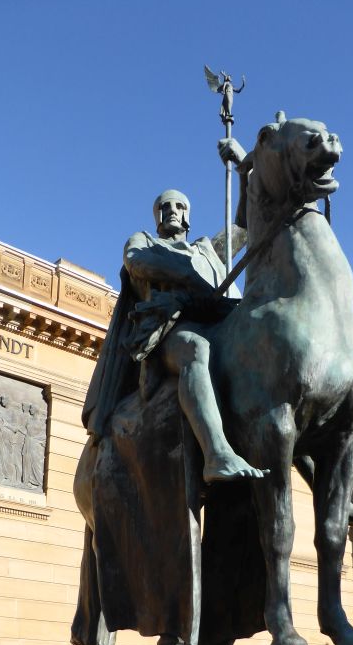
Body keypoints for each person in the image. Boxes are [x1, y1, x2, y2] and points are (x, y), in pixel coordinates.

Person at [82, 189, 265, 483]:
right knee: (195, 348)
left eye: (179, 206)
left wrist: (247, 176)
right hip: (164, 333)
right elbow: (137, 262)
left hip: (214, 323)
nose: (171, 210)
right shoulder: (144, 242)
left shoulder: (204, 249)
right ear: (156, 216)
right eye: (164, 206)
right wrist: (192, 276)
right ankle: (216, 454)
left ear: (188, 216)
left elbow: (242, 228)